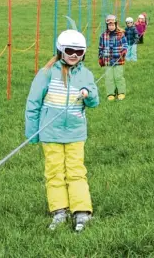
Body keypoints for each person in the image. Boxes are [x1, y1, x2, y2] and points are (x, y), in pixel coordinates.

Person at [25, 29, 99, 232]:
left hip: (75, 134)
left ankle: (81, 211)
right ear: (60, 50)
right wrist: (32, 133)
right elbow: (33, 103)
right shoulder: (47, 73)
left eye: (79, 51)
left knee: (76, 171)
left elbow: (95, 101)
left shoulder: (86, 74)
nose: (74, 55)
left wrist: (88, 94)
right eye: (70, 50)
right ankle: (59, 211)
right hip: (51, 134)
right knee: (54, 172)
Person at [98, 14, 128, 101]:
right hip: (107, 60)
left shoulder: (121, 34)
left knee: (118, 77)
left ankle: (121, 92)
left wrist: (124, 51)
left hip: (119, 60)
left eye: (112, 25)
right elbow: (100, 47)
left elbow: (125, 44)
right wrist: (100, 57)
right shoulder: (103, 36)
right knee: (109, 78)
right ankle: (110, 94)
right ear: (107, 25)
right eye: (109, 25)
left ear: (115, 24)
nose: (111, 27)